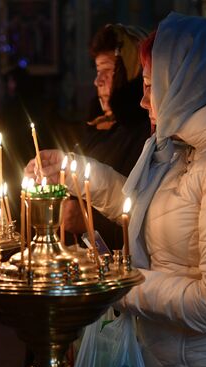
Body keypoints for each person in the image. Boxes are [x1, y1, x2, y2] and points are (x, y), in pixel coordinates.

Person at [25, 13, 206, 367]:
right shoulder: (186, 147)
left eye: (150, 86)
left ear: (187, 85)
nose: (142, 101)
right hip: (171, 363)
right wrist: (70, 169)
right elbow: (139, 205)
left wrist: (118, 281)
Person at [64, 23, 150, 250]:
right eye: (96, 71)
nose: (97, 81)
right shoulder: (98, 127)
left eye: (107, 72)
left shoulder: (144, 134)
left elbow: (143, 220)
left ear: (131, 73)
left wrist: (88, 223)